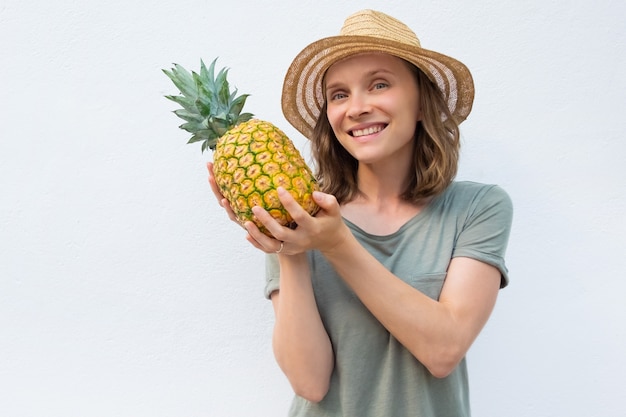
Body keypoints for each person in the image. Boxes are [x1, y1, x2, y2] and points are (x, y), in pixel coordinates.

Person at [208, 9, 513, 417]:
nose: (356, 107)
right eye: (339, 94)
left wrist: (336, 244)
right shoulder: (299, 215)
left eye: (379, 84)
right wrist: (289, 247)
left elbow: (443, 350)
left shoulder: (477, 208)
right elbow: (310, 382)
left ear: (421, 102)